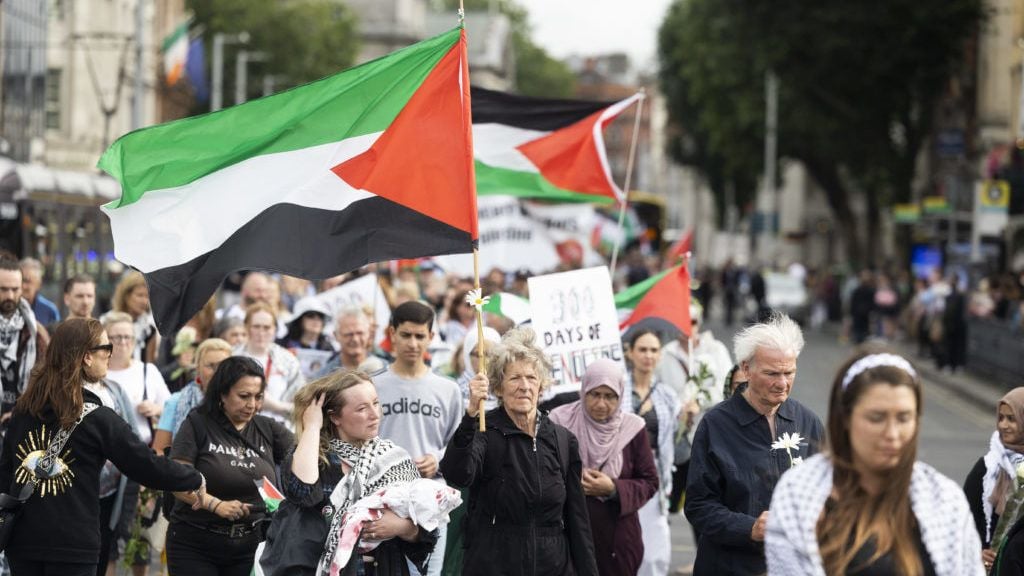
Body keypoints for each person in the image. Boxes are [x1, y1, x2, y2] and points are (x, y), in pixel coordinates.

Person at [0, 318, 205, 576]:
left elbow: (6, 472)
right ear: (87, 357)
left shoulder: (24, 409)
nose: (110, 354)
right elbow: (144, 464)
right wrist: (193, 476)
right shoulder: (97, 417)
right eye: (106, 348)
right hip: (72, 544)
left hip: (22, 540)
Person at [766, 349, 984, 575]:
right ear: (846, 418)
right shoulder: (801, 496)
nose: (892, 433)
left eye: (904, 418)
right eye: (876, 418)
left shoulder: (944, 499)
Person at [440, 327, 598, 576]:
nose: (524, 386)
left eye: (531, 378)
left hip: (552, 566)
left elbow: (577, 518)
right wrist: (470, 417)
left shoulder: (562, 440)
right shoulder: (484, 430)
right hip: (494, 564)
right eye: (514, 378)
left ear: (542, 386)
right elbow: (458, 474)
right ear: (498, 388)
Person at [685, 313, 825, 575]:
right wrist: (749, 528)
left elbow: (829, 493)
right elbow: (698, 505)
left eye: (789, 372)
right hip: (729, 566)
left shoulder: (808, 422)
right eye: (772, 373)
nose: (782, 383)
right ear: (746, 369)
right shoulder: (716, 425)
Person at [261, 371, 437, 576]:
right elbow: (303, 492)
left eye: (376, 403)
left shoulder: (395, 459)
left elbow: (428, 531)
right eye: (362, 408)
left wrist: (402, 528)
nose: (375, 414)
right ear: (335, 416)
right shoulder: (313, 455)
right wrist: (312, 427)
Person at [166, 356, 294, 576]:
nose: (252, 404)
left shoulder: (268, 428)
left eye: (258, 397)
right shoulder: (198, 423)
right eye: (243, 396)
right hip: (195, 543)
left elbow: (307, 460)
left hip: (250, 546)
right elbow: (177, 480)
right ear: (222, 394)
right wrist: (215, 505)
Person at [375, 301, 462, 576]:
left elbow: (458, 445)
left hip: (430, 501)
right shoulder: (372, 386)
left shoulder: (448, 390)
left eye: (420, 336)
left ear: (431, 337)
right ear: (392, 334)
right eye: (406, 335)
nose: (413, 343)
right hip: (383, 500)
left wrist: (436, 459)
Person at [549, 359, 658, 576]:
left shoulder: (633, 429)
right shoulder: (559, 422)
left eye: (609, 396)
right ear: (583, 391)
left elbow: (650, 482)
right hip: (569, 538)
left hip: (617, 544)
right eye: (594, 394)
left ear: (620, 396)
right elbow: (543, 473)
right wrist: (570, 481)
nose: (601, 404)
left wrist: (613, 488)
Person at [656, 302, 732, 513]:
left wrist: (700, 402)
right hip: (676, 436)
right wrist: (678, 406)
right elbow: (657, 389)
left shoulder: (715, 350)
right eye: (682, 322)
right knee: (668, 500)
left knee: (704, 500)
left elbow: (729, 387)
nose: (688, 327)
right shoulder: (665, 354)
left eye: (693, 322)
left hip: (709, 435)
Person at [620, 328, 680, 576]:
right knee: (621, 545)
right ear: (630, 353)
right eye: (642, 349)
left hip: (654, 476)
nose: (648, 355)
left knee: (655, 550)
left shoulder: (667, 396)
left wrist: (685, 419)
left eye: (654, 350)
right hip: (621, 475)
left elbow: (673, 442)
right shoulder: (617, 390)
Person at [964, 387, 1024, 572]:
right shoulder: (986, 468)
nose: (1003, 425)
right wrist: (977, 552)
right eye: (1001, 418)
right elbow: (964, 520)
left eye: (1011, 419)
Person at [152, 338, 233, 455]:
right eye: (210, 366)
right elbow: (159, 450)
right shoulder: (176, 401)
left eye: (223, 366)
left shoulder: (239, 402)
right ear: (198, 367)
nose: (217, 372)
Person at [103, 312, 171, 447]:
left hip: (143, 448)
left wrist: (156, 410)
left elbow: (171, 410)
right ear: (105, 340)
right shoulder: (98, 373)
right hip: (106, 454)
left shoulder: (147, 370)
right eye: (116, 337)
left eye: (127, 337)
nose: (123, 342)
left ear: (134, 341)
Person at [234, 303, 305, 428]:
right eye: (256, 327)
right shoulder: (232, 357)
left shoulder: (288, 360)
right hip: (240, 428)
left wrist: (275, 406)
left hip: (280, 430)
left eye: (267, 327)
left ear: (275, 330)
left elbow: (302, 406)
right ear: (246, 327)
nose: (261, 332)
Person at [0, 256, 47, 424]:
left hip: (20, 427)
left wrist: (21, 413)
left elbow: (45, 385)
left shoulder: (35, 332)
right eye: (3, 289)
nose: (10, 296)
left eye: (15, 289)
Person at [315, 307, 387, 378]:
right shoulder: (323, 378)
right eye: (348, 334)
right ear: (336, 336)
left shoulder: (384, 369)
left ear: (368, 333)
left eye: (359, 333)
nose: (355, 339)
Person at [109, 271, 159, 365]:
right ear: (126, 296)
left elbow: (149, 365)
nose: (144, 301)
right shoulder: (108, 322)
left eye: (147, 296)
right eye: (140, 295)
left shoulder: (149, 328)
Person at [19, 258, 59, 327]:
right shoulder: (8, 306)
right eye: (20, 281)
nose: (23, 286)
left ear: (39, 284)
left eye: (27, 281)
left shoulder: (49, 310)